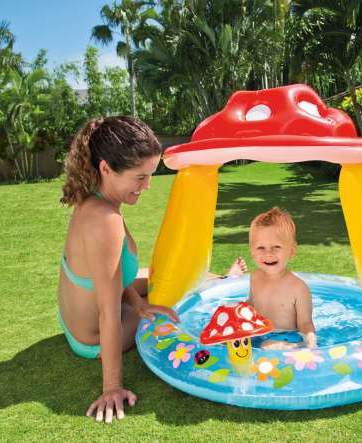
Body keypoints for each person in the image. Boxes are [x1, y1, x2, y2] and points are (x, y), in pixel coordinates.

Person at [58, 116, 247, 423]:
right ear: (106, 169)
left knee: (163, 275)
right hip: (92, 339)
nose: (147, 185)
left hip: (75, 318)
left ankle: (222, 279)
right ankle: (221, 283)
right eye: (140, 177)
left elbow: (112, 276)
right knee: (174, 295)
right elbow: (108, 313)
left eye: (150, 175)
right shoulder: (104, 221)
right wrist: (111, 387)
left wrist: (140, 303)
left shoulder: (97, 201)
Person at [246, 207, 317, 350]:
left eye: (276, 247)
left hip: (287, 336)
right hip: (259, 332)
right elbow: (252, 305)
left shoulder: (298, 288)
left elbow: (305, 324)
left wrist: (311, 345)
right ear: (252, 251)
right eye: (261, 248)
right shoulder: (255, 277)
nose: (268, 253)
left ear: (291, 251)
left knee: (267, 346)